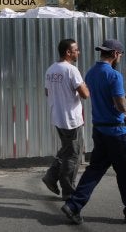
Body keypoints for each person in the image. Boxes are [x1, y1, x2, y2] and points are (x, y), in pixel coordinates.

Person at [61, 39, 126, 226]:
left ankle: (73, 205)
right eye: (120, 54)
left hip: (100, 130)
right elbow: (120, 106)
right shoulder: (114, 76)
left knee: (95, 170)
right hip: (117, 135)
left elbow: (103, 103)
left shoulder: (91, 73)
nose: (120, 57)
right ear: (115, 54)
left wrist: (122, 117)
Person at [42, 39, 90, 200]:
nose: (79, 52)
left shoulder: (51, 69)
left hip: (58, 117)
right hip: (71, 119)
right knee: (72, 155)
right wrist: (84, 85)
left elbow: (47, 92)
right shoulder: (71, 70)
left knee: (66, 150)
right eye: (76, 49)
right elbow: (85, 94)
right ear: (68, 52)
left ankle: (50, 177)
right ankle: (69, 192)